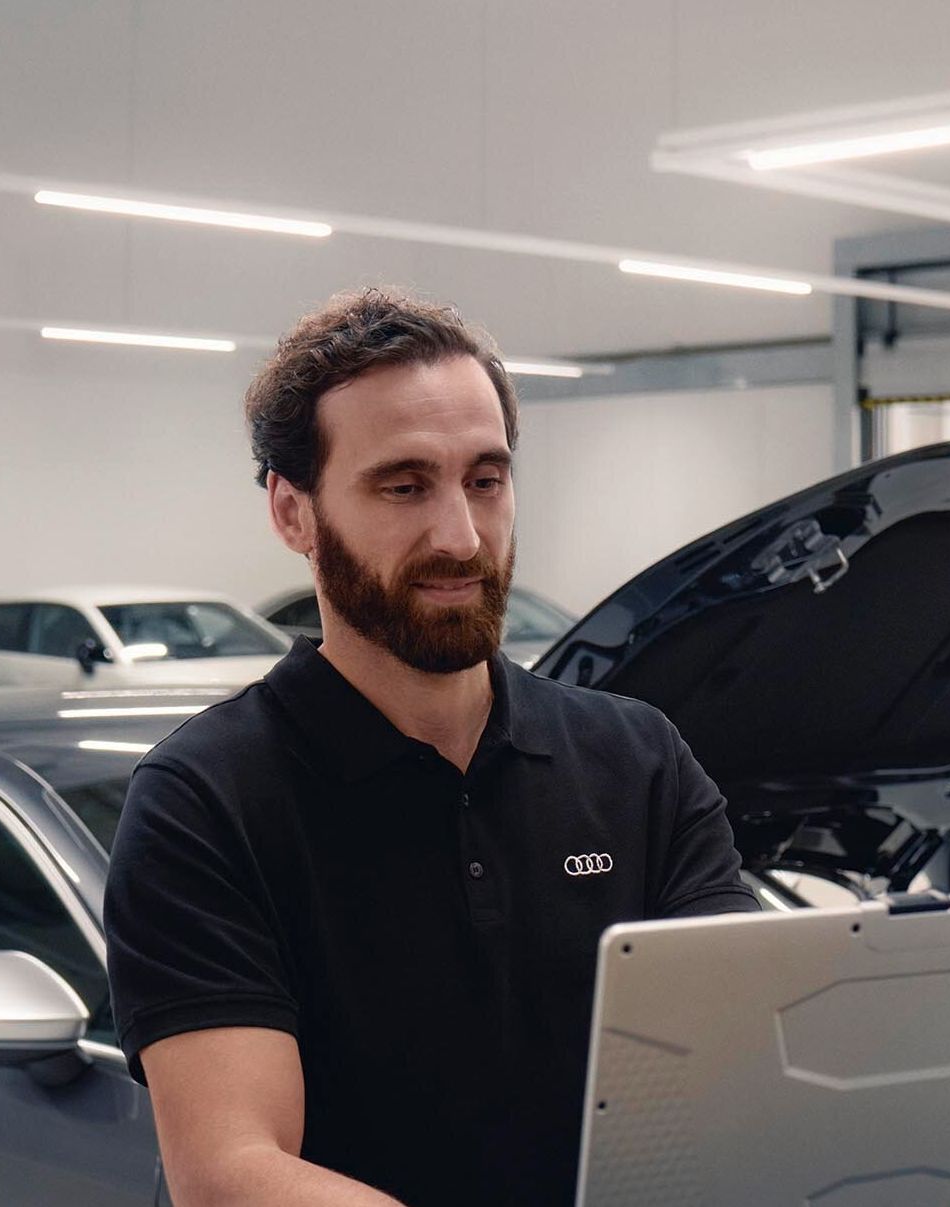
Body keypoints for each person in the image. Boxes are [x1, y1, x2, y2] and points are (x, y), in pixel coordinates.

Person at [103, 288, 758, 1207]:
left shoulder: (638, 760)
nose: (461, 536)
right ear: (293, 512)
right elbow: (232, 1172)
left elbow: (743, 1071)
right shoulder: (204, 802)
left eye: (485, 481)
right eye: (404, 486)